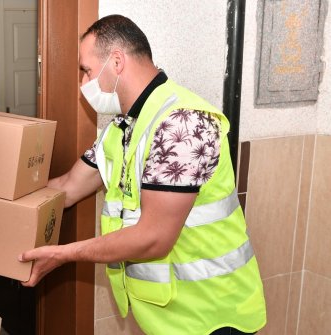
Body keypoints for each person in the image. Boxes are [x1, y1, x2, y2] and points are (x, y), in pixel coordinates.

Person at [18, 15, 266, 335]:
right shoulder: (121, 129)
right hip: (167, 320)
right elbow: (67, 186)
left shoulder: (183, 124)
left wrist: (63, 254)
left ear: (116, 62)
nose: (83, 85)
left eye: (86, 71)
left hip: (213, 317)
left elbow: (154, 239)